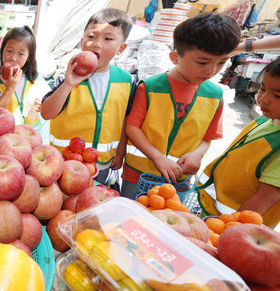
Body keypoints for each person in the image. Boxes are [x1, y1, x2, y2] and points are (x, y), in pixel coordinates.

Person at [120, 13, 242, 198]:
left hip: (180, 180)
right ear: (174, 57)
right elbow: (132, 127)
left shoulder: (215, 95)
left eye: (222, 62)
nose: (211, 70)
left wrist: (197, 155)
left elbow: (208, 137)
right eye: (202, 62)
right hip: (139, 175)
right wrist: (157, 157)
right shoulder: (150, 88)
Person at [41, 8, 134, 182]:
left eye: (108, 39)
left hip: (103, 163)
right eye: (91, 37)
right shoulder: (68, 77)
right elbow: (46, 113)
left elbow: (125, 120)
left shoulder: (126, 81)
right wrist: (68, 84)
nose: (97, 44)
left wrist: (120, 153)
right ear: (82, 41)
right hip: (66, 161)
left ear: (121, 48)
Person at [197, 57, 280, 227]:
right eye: (262, 88)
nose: (263, 99)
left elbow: (266, 197)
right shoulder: (266, 120)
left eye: (277, 95)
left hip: (236, 226)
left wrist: (230, 230)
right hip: (215, 214)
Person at [0, 26, 50, 126]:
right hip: (3, 135)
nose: (13, 58)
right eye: (9, 51)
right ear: (2, 51)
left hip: (29, 135)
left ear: (29, 57)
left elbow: (48, 102)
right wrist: (9, 89)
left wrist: (42, 105)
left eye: (20, 54)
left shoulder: (36, 80)